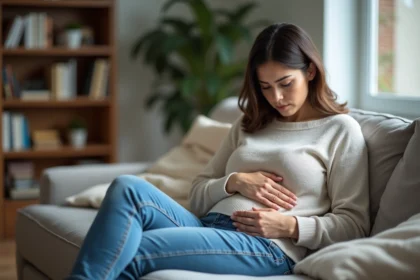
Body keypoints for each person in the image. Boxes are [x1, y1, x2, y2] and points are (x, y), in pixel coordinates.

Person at [66, 23, 370, 280]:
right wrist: (234, 181)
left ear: (311, 72)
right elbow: (197, 193)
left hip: (266, 245)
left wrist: (290, 225)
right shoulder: (249, 123)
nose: (276, 97)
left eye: (285, 83)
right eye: (265, 87)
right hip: (206, 224)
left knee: (131, 251)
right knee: (127, 187)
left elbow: (355, 224)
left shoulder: (340, 130)